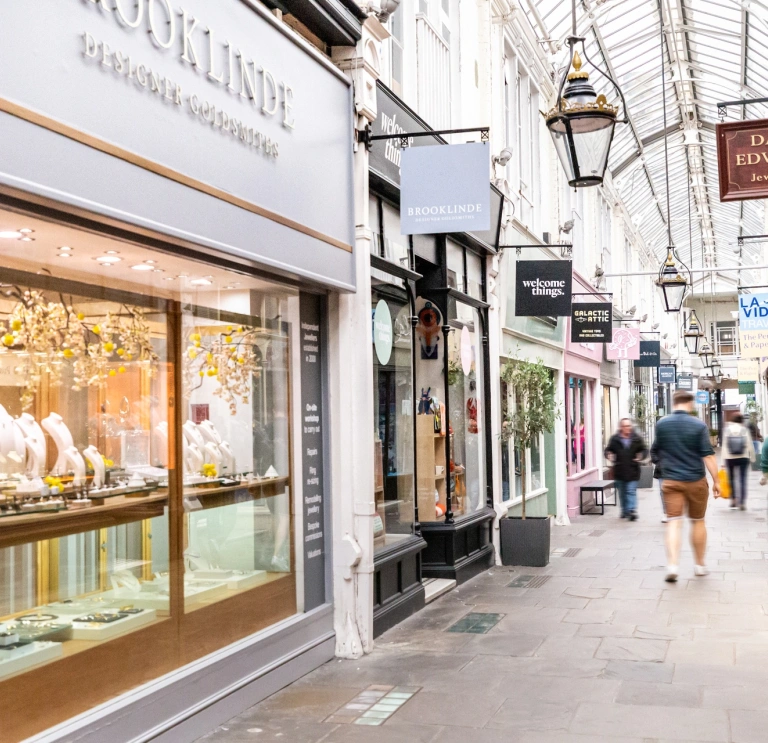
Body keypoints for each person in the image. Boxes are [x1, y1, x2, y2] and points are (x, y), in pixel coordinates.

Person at [651, 389, 720, 583]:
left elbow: (655, 450)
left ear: (674, 403)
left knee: (674, 522)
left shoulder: (662, 424)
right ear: (690, 404)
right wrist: (717, 481)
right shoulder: (699, 425)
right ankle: (699, 565)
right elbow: (707, 455)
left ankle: (672, 565)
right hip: (695, 480)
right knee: (698, 521)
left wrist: (664, 465)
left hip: (671, 481)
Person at [604, 418, 648, 521]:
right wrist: (608, 454)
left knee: (631, 491)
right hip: (619, 470)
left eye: (629, 426)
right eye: (626, 426)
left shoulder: (636, 438)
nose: (628, 428)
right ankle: (624, 510)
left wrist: (641, 456)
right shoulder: (615, 439)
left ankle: (632, 510)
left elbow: (645, 450)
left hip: (633, 470)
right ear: (621, 427)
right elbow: (608, 450)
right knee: (622, 493)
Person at [722, 413, 754, 511]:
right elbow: (749, 444)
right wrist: (752, 458)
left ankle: (733, 500)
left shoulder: (727, 429)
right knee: (742, 479)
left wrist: (723, 460)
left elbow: (724, 445)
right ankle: (742, 502)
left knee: (731, 478)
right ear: (741, 420)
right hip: (743, 456)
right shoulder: (744, 430)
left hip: (729, 457)